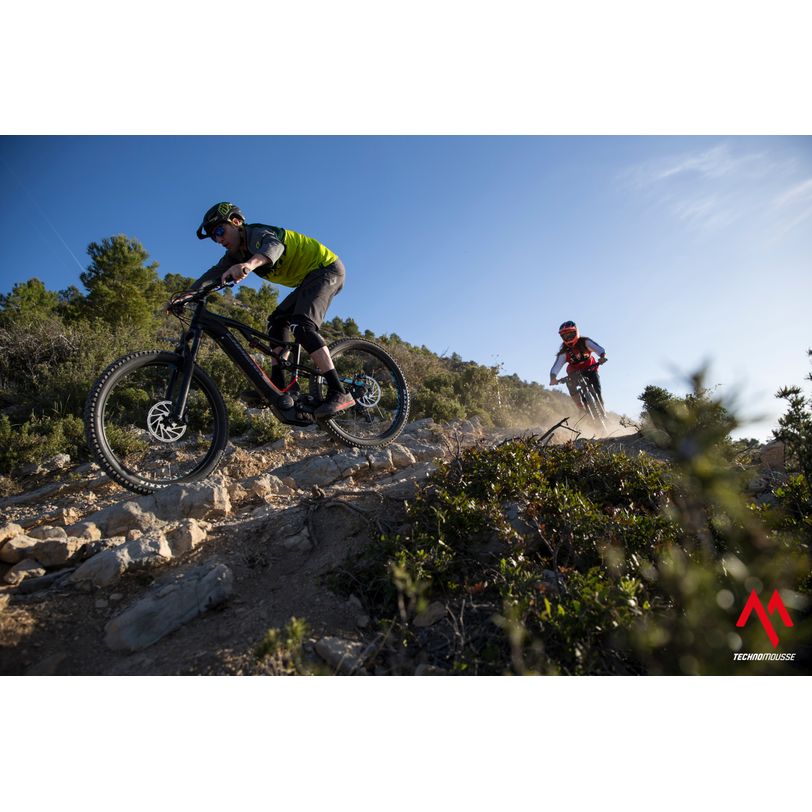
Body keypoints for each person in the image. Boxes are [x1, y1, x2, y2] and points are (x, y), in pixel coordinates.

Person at [191, 202, 355, 418]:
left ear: (236, 222)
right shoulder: (234, 255)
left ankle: (339, 391)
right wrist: (184, 296)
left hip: (327, 268)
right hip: (308, 279)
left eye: (220, 231)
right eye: (214, 237)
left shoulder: (256, 233)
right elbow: (211, 275)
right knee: (276, 322)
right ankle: (279, 386)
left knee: (301, 325)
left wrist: (249, 265)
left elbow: (274, 247)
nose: (219, 240)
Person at [549, 320, 607, 410]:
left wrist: (602, 357)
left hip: (591, 369)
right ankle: (580, 408)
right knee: (570, 384)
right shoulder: (564, 352)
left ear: (576, 332)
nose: (568, 338)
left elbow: (599, 349)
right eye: (565, 336)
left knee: (597, 390)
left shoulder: (585, 342)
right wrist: (553, 378)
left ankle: (602, 411)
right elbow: (557, 366)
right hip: (574, 373)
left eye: (570, 334)